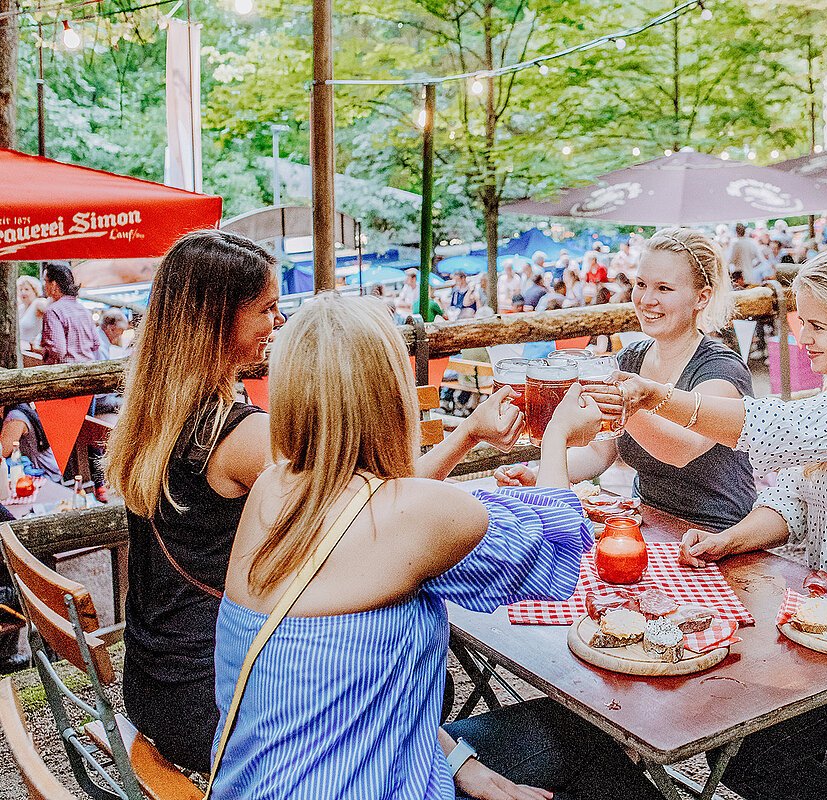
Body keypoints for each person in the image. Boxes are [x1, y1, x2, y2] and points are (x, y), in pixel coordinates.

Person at [104, 229, 526, 774]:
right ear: (216, 323)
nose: (277, 322)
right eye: (267, 308)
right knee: (428, 677)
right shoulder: (241, 439)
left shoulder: (153, 413)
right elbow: (373, 510)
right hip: (217, 708)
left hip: (156, 680)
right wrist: (468, 434)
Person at [210, 293, 661, 800]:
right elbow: (556, 552)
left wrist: (464, 764)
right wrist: (555, 440)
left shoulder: (274, 487)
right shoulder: (417, 515)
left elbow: (362, 694)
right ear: (391, 392)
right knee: (592, 741)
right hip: (373, 783)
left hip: (270, 781)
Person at [607, 248, 827, 800]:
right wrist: (729, 540)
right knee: (737, 725)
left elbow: (771, 430)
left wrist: (658, 395)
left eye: (819, 326)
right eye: (802, 322)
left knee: (747, 742)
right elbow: (795, 500)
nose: (804, 338)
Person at [499, 227, 756, 531]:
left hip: (718, 533)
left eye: (664, 289)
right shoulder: (630, 359)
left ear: (701, 298)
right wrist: (545, 473)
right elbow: (601, 449)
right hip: (644, 520)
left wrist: (622, 402)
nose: (646, 299)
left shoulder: (722, 369)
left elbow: (680, 450)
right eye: (641, 284)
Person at [40, 262, 100, 365]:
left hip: (66, 371)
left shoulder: (53, 311)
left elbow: (58, 351)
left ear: (53, 284)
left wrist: (41, 351)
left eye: (46, 282)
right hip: (88, 368)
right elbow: (96, 344)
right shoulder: (83, 310)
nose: (44, 286)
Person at [1, 403, 62, 483]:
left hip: (44, 477)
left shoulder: (15, 418)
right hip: (39, 472)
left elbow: (2, 452)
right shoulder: (19, 407)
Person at [17, 275, 45, 351]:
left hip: (33, 350)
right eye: (21, 289)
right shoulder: (20, 308)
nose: (23, 292)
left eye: (26, 289)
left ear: (35, 291)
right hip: (21, 350)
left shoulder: (38, 303)